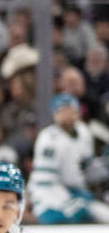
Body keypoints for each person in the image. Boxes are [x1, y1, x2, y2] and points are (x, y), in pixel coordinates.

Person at [27, 92, 109, 223]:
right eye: (63, 111)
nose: (67, 115)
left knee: (104, 215)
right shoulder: (49, 138)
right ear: (55, 114)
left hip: (76, 192)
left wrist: (104, 165)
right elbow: (45, 182)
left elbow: (88, 169)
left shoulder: (83, 132)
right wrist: (70, 200)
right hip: (48, 195)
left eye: (71, 110)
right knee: (73, 215)